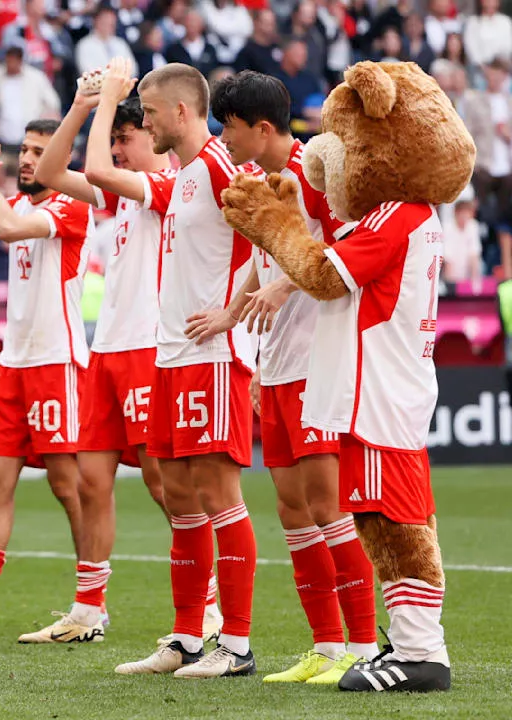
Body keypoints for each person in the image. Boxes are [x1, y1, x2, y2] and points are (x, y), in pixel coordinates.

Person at [195, 70, 379, 684]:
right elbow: (262, 256)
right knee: (294, 512)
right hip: (275, 362)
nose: (225, 139)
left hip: (319, 359)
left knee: (329, 506)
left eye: (231, 128)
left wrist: (282, 282)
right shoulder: (255, 181)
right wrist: (233, 315)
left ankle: (360, 645)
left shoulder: (318, 174)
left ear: (264, 128)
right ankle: (325, 647)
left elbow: (347, 251)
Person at [33, 58, 207, 645]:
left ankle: (206, 602)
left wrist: (108, 96)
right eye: (114, 142)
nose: (118, 149)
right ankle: (88, 607)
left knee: (166, 484)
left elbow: (97, 172)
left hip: (146, 350)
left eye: (126, 138)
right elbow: (55, 171)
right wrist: (83, 107)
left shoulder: (169, 185)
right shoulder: (127, 195)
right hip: (106, 350)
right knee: (91, 482)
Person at [98, 62, 261, 679]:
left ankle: (237, 646)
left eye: (148, 111)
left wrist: (232, 312)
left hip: (212, 357)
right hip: (169, 355)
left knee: (219, 497)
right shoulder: (185, 175)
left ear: (182, 113)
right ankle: (189, 637)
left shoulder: (224, 166)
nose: (143, 121)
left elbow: (277, 236)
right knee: (183, 501)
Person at [0, 120, 97, 643]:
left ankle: (91, 605)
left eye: (40, 151)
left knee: (70, 486)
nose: (27, 159)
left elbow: (9, 230)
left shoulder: (70, 203)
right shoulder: (15, 204)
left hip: (56, 359)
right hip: (17, 365)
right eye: (25, 149)